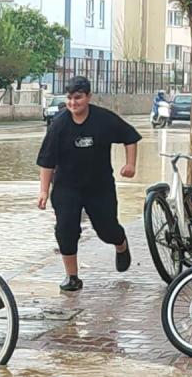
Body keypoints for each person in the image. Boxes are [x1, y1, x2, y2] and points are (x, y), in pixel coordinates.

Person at [36, 75, 140, 292]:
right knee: (66, 229)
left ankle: (120, 244)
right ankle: (72, 277)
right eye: (70, 98)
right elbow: (47, 160)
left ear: (88, 97)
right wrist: (43, 191)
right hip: (66, 187)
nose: (74, 103)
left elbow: (130, 136)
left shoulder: (104, 120)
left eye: (78, 98)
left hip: (99, 186)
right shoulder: (59, 125)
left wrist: (130, 165)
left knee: (106, 229)